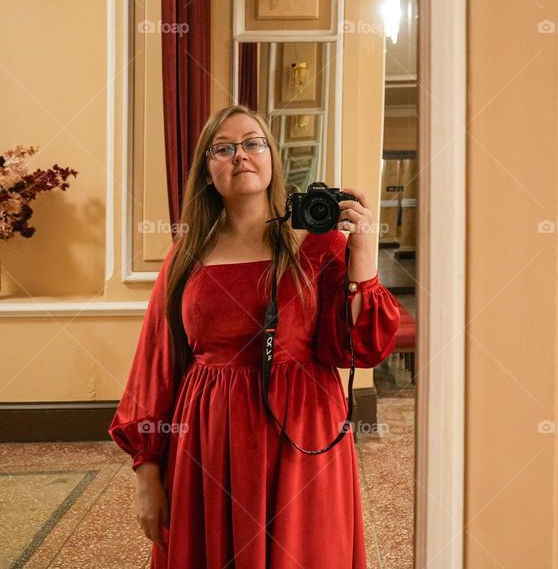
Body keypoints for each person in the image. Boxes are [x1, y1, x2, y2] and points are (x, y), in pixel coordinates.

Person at [109, 104, 402, 568]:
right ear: (207, 173)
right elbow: (157, 361)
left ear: (272, 159)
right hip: (208, 439)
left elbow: (361, 348)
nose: (240, 155)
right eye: (222, 149)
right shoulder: (187, 253)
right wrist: (147, 475)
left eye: (253, 143)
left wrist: (362, 255)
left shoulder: (321, 244)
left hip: (302, 436)